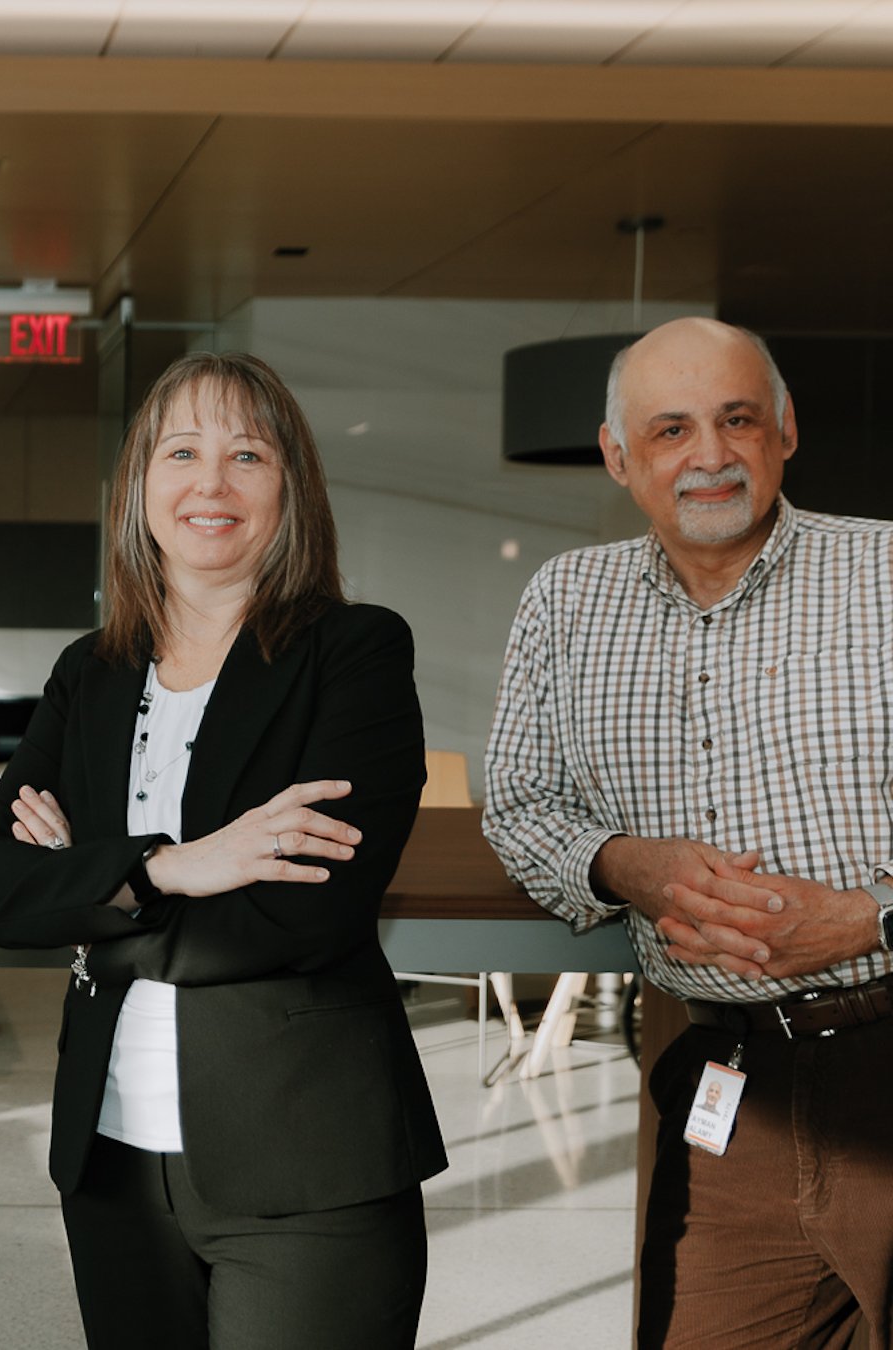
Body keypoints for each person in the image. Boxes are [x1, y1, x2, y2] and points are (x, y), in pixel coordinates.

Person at [0, 351, 444, 1350]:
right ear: (139, 487)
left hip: (306, 1168)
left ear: (289, 489)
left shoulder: (354, 654)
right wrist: (172, 865)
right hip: (113, 1159)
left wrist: (89, 890)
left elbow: (306, 916)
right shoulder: (89, 674)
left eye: (247, 455)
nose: (210, 484)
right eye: (181, 452)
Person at [482, 316, 893, 1350]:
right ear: (618, 456)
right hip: (729, 1092)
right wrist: (626, 867)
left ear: (785, 431)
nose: (709, 455)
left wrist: (866, 920)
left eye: (736, 419)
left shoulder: (885, 576)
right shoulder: (565, 604)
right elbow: (521, 807)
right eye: (670, 430)